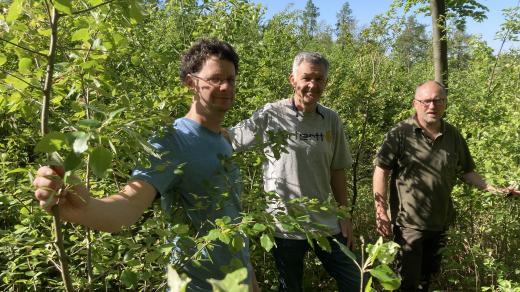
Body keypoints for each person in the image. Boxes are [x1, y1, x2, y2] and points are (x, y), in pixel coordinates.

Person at [33, 38, 260, 292]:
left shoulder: (225, 139)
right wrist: (86, 208)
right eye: (216, 79)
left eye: (230, 79)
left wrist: (250, 279)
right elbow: (129, 204)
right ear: (190, 83)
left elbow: (232, 216)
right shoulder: (172, 141)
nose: (225, 87)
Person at [229, 52, 360, 291]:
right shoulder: (272, 115)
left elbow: (337, 169)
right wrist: (196, 130)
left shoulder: (331, 119)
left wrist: (344, 214)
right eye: (306, 78)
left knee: (356, 280)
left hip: (325, 222)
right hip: (285, 224)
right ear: (292, 80)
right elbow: (231, 140)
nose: (313, 85)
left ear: (326, 83)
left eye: (319, 79)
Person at [372, 80, 520, 291]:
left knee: (427, 281)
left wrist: (499, 190)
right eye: (426, 101)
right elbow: (381, 170)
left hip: (441, 223)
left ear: (445, 103)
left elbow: (468, 173)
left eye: (438, 101)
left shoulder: (453, 135)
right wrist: (381, 212)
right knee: (405, 284)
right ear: (415, 103)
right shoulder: (400, 133)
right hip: (408, 226)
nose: (432, 106)